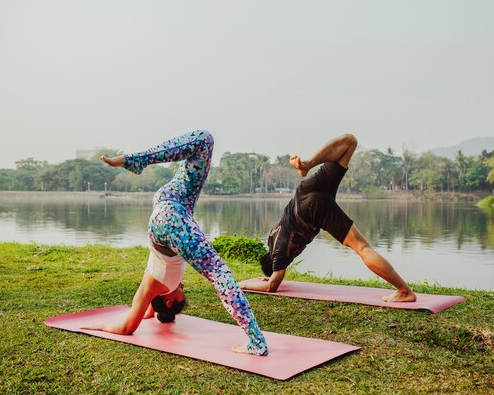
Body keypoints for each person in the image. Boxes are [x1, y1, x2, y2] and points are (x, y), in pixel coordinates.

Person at [85, 130, 268, 356]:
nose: (183, 288)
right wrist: (152, 312)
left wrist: (98, 326)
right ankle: (135, 161)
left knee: (219, 272)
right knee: (204, 141)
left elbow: (127, 327)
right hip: (177, 210)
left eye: (181, 296)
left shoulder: (154, 289)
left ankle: (256, 341)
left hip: (172, 214)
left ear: (170, 301)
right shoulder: (152, 292)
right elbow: (147, 313)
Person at [239, 134, 416, 303]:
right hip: (305, 192)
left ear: (274, 263)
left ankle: (404, 291)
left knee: (362, 248)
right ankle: (307, 165)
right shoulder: (273, 240)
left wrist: (244, 284)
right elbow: (272, 273)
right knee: (349, 141)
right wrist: (267, 275)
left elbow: (272, 286)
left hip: (311, 209)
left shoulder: (279, 254)